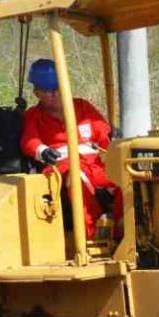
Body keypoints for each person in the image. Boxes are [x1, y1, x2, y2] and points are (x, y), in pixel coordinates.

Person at [20, 58, 122, 240]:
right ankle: (92, 236)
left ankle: (123, 227)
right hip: (62, 168)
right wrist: (42, 150)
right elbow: (29, 141)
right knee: (77, 177)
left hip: (95, 166)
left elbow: (103, 135)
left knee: (126, 177)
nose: (55, 94)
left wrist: (115, 142)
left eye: (58, 88)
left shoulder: (82, 107)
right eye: (48, 91)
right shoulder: (33, 116)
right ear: (36, 92)